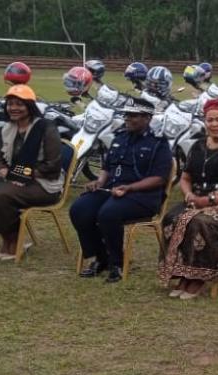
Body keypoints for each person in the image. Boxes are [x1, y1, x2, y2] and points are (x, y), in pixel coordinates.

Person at [158, 99, 218, 299]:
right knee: (171, 218)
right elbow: (185, 178)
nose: (213, 124)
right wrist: (188, 194)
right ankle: (183, 273)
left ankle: (199, 277)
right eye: (209, 120)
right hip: (198, 200)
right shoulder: (198, 146)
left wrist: (211, 200)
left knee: (201, 222)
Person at [69, 97, 172, 283]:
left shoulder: (158, 143)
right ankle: (101, 258)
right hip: (112, 190)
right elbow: (107, 167)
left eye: (133, 115)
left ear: (147, 118)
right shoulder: (119, 137)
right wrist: (99, 182)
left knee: (108, 214)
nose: (127, 119)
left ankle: (117, 263)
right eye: (126, 114)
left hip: (143, 196)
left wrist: (130, 188)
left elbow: (159, 178)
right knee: (79, 209)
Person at [0, 84, 62, 260]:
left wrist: (21, 174)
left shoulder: (46, 128)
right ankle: (8, 241)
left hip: (44, 184)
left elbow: (52, 166)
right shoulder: (7, 128)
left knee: (2, 196)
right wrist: (3, 170)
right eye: (10, 104)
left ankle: (15, 242)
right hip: (13, 179)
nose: (14, 108)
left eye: (19, 104)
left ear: (29, 106)